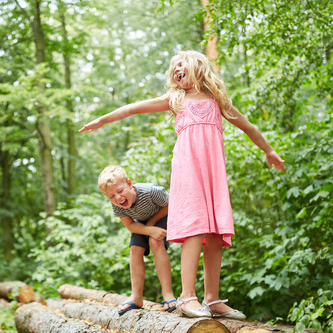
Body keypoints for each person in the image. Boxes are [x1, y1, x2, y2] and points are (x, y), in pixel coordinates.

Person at [80, 50, 285, 319]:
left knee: (214, 232)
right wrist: (103, 119)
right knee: (196, 228)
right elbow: (132, 108)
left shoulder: (217, 100)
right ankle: (187, 297)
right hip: (188, 171)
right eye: (173, 67)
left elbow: (248, 126)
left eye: (181, 65)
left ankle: (212, 299)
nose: (177, 70)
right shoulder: (176, 100)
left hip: (213, 172)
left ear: (198, 66)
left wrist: (269, 150)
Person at [97, 165, 178, 316]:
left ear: (129, 183)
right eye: (111, 196)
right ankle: (136, 297)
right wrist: (148, 229)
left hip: (162, 216)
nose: (118, 198)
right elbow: (130, 225)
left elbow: (170, 205)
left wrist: (152, 224)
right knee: (135, 248)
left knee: (155, 242)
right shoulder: (117, 207)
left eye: (120, 191)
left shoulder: (151, 192)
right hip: (140, 223)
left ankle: (168, 294)